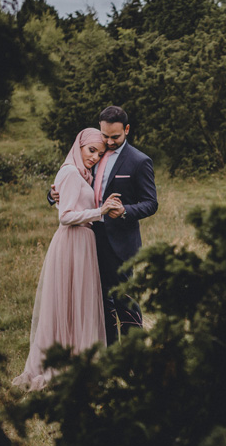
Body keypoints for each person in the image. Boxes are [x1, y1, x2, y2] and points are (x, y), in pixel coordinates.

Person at [14, 128, 122, 391]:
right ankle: (65, 364)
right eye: (91, 150)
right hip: (73, 242)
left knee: (75, 303)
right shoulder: (72, 172)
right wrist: (101, 211)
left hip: (81, 243)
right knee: (69, 303)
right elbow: (65, 216)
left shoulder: (80, 173)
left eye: (99, 152)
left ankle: (77, 359)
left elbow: (67, 202)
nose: (95, 157)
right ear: (79, 147)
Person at [51, 106, 159, 343]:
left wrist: (124, 211)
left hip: (120, 242)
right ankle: (107, 355)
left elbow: (151, 203)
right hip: (88, 238)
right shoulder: (92, 154)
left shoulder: (139, 161)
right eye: (105, 135)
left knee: (125, 300)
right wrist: (52, 195)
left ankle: (133, 356)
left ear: (127, 130)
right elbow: (71, 184)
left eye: (115, 137)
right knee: (99, 303)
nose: (109, 142)